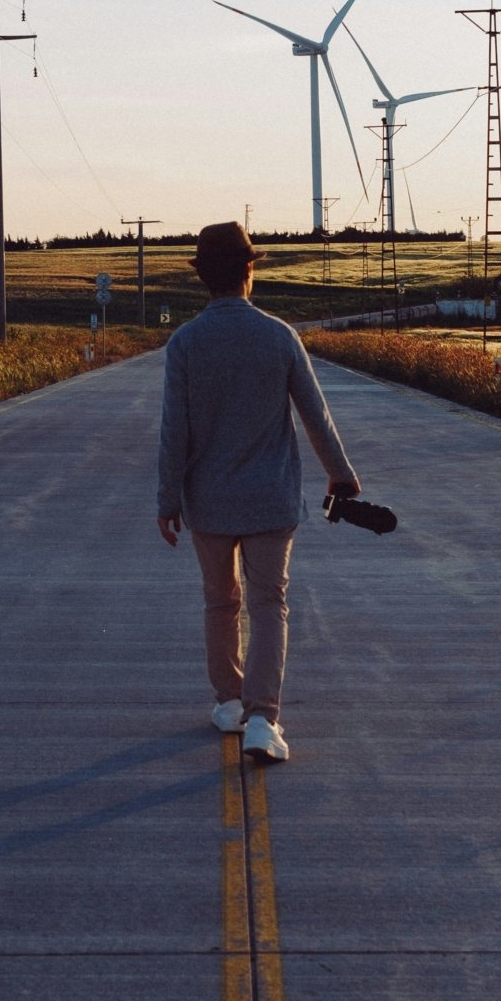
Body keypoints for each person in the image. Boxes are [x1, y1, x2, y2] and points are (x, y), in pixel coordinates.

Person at [156, 220, 360, 763]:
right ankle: (263, 720)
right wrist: (340, 473)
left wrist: (166, 500)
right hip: (271, 499)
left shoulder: (184, 344)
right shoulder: (279, 336)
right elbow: (316, 416)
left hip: (209, 503)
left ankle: (229, 702)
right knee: (270, 604)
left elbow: (173, 431)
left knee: (220, 600)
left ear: (203, 279)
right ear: (250, 270)